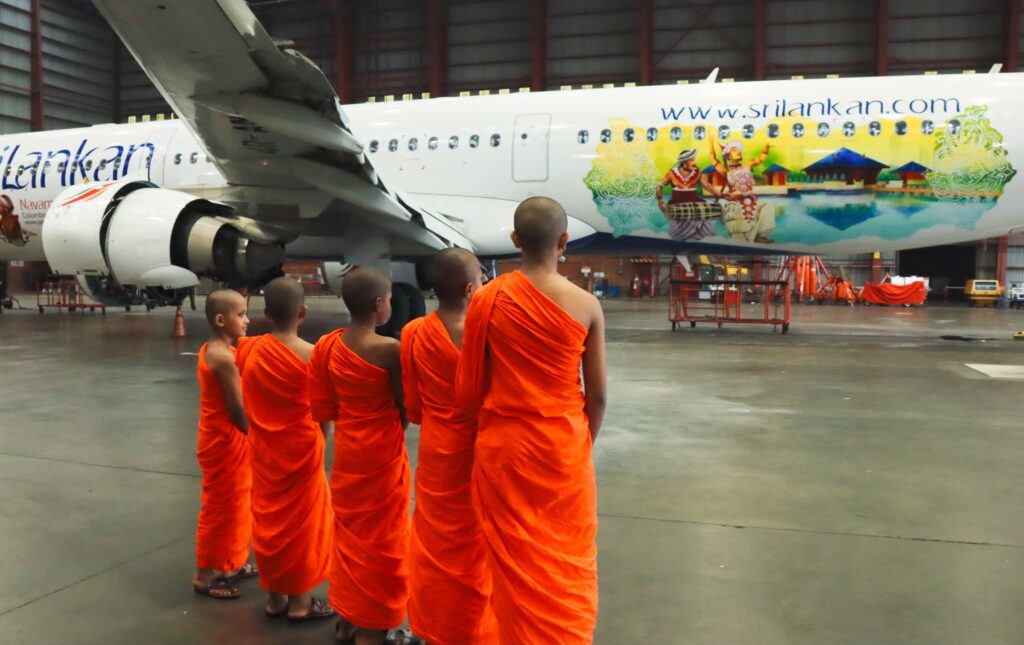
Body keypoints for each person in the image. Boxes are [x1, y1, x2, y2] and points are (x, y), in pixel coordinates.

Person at [456, 196, 607, 645]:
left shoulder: (487, 299)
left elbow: (469, 390)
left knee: (512, 568)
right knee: (565, 559)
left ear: (515, 240)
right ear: (564, 241)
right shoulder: (586, 305)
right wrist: (580, 442)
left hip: (504, 448)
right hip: (562, 446)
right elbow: (596, 396)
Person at [308, 268, 410, 645]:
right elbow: (406, 407)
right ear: (379, 305)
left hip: (348, 454)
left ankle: (349, 617)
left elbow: (322, 408)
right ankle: (372, 627)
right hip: (381, 457)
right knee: (383, 543)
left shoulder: (326, 346)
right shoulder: (390, 350)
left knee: (351, 539)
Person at [401, 249, 497, 645]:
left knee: (436, 545)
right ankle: (475, 631)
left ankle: (436, 628)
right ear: (472, 288)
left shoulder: (412, 333)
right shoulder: (486, 332)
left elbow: (414, 408)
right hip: (483, 450)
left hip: (438, 451)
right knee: (478, 545)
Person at [236, 277, 334, 621]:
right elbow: (323, 410)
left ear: (265, 314)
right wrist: (322, 437)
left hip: (263, 449)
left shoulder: (249, 350)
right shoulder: (313, 355)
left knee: (269, 521)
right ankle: (301, 602)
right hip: (301, 449)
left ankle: (275, 598)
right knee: (303, 526)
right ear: (303, 313)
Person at [192, 289, 258, 599]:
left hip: (225, 439)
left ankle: (230, 563)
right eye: (241, 314)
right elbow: (237, 410)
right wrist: (261, 437)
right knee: (221, 508)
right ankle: (205, 576)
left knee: (238, 504)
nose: (247, 320)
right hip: (225, 441)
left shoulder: (216, 349)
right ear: (221, 319)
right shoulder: (223, 358)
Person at [655, 149, 717, 241]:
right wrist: (660, 202)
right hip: (676, 206)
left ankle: (705, 245)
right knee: (676, 235)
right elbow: (659, 186)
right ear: (684, 162)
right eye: (692, 160)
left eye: (694, 160)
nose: (694, 163)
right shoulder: (672, 173)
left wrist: (720, 194)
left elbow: (707, 186)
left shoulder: (697, 172)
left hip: (694, 205)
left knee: (708, 217)